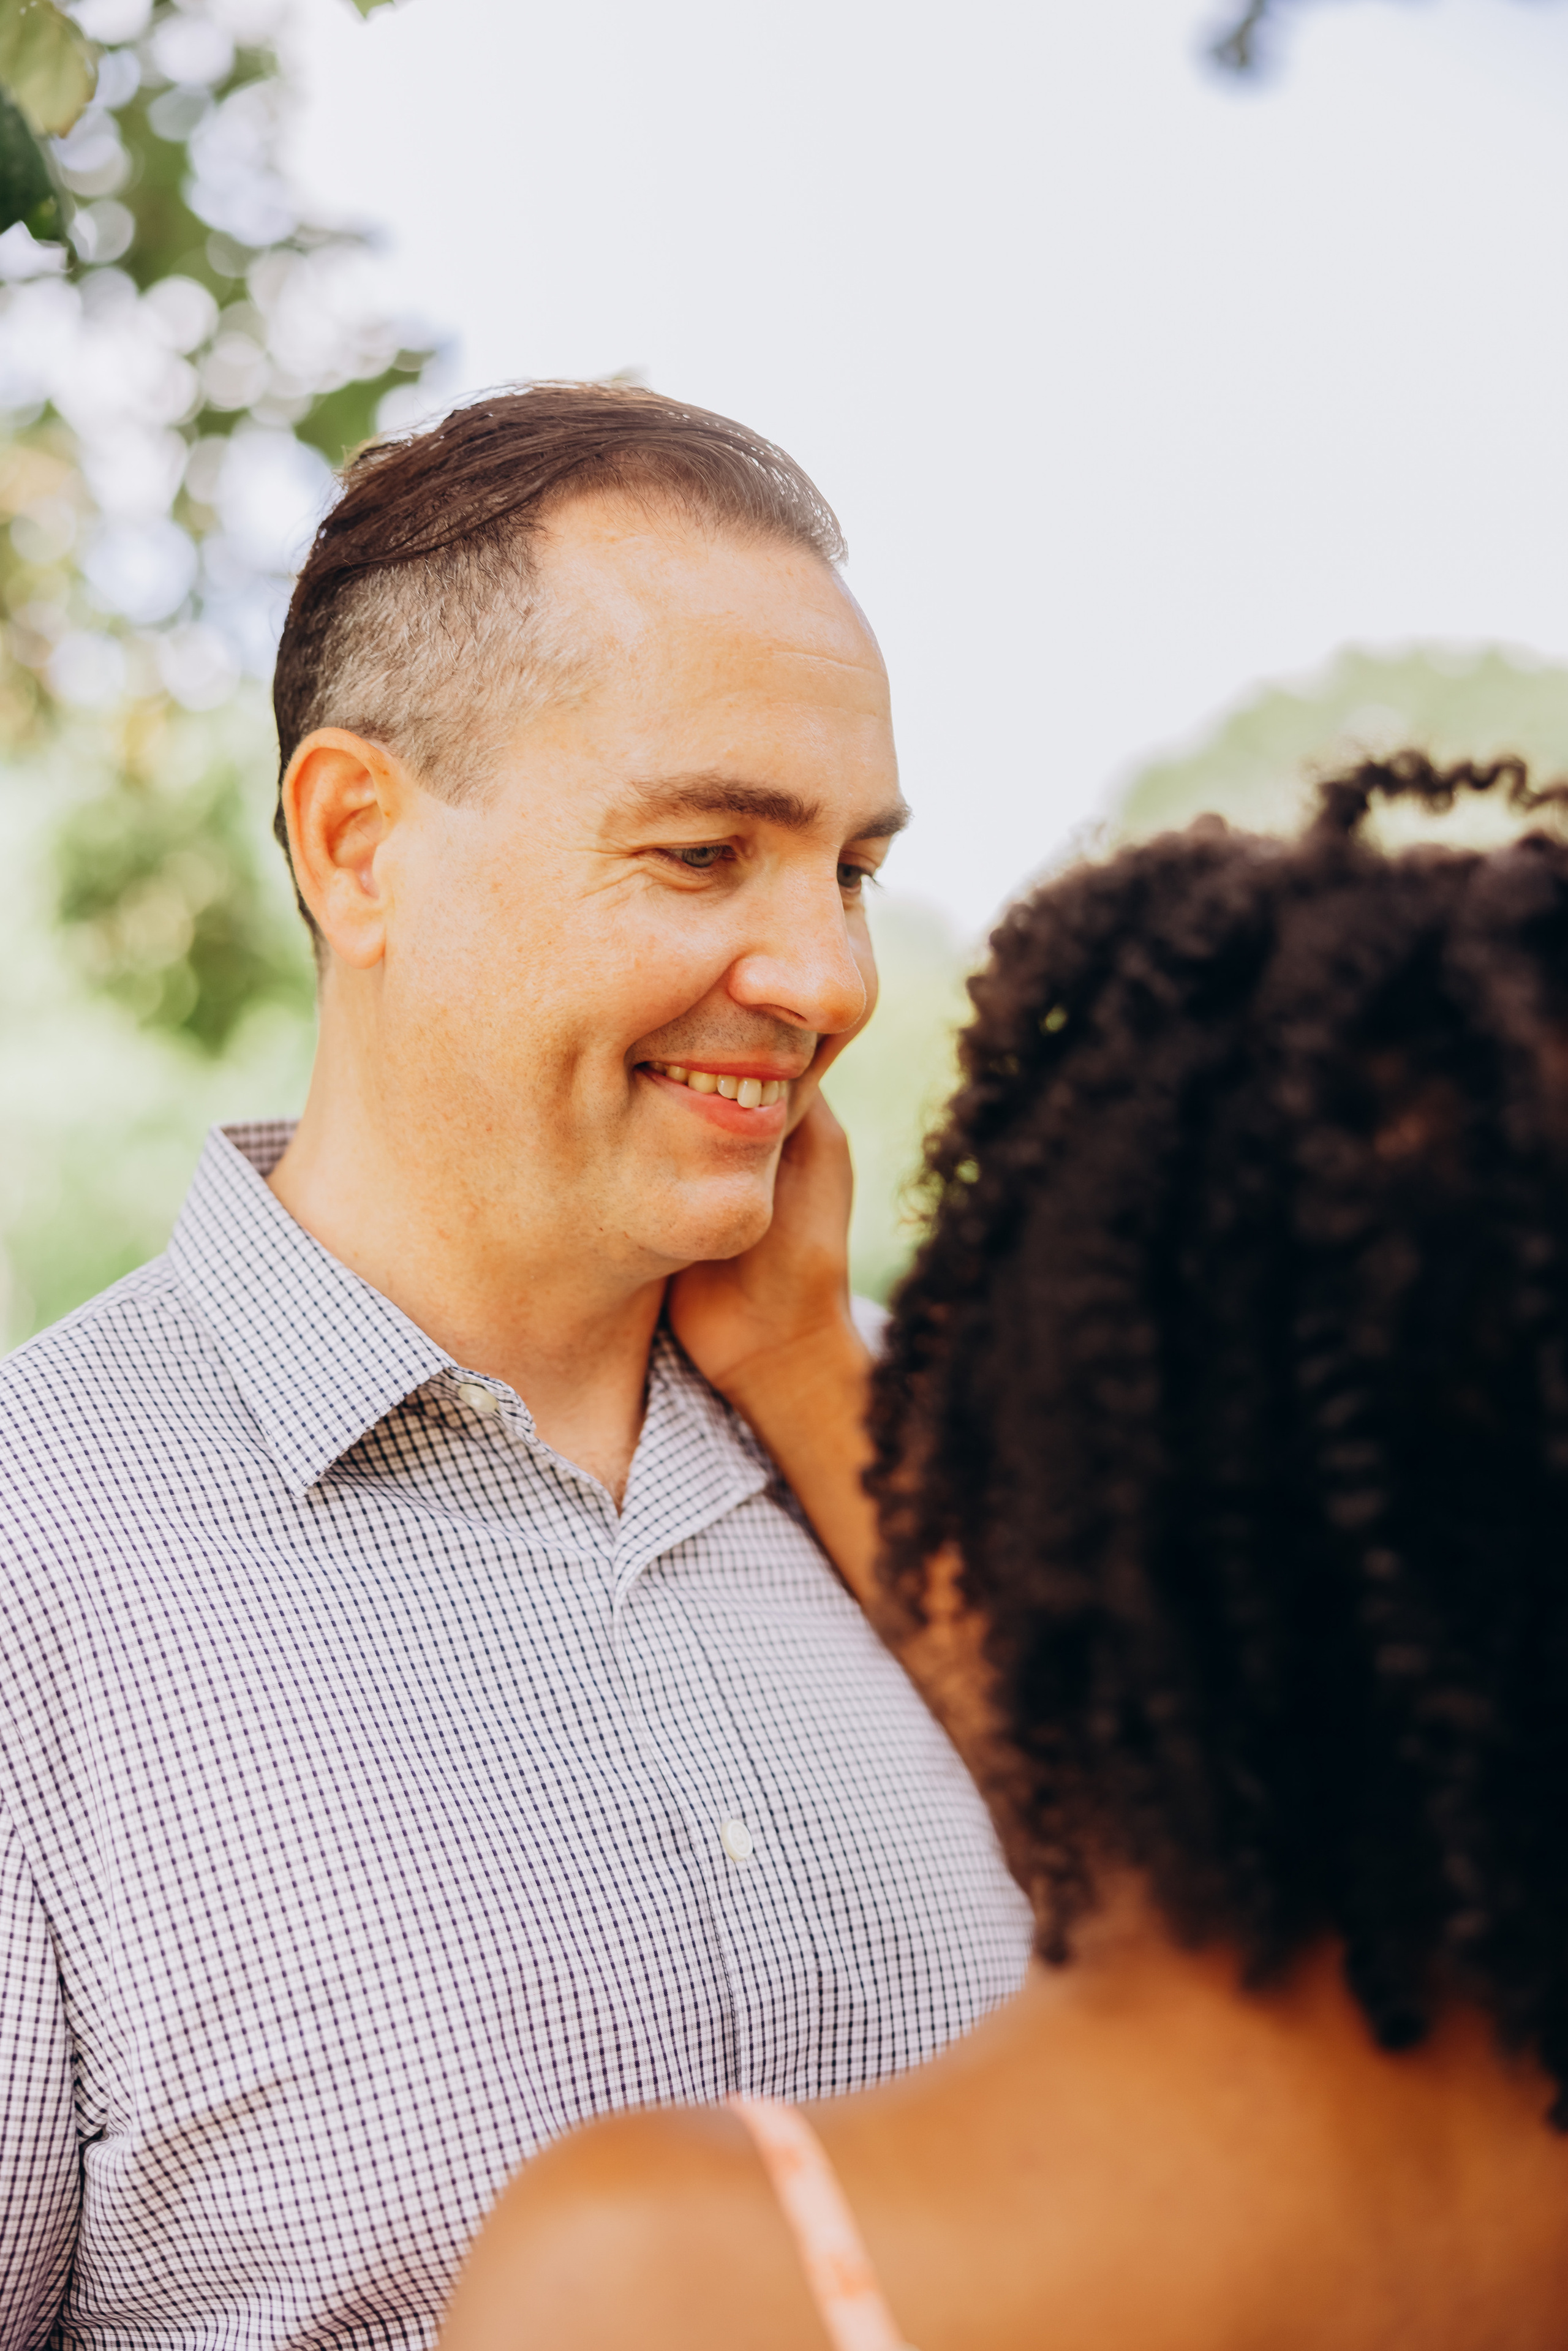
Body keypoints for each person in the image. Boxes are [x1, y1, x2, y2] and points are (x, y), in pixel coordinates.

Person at [0, 385, 1031, 2351]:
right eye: (706, 852)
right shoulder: (33, 1557)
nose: (824, 980)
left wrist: (822, 1384)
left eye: (851, 868)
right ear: (357, 842)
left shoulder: (919, 1448)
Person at [443, 753, 1568, 2351]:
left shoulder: (673, 2278)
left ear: (1034, 1417)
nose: (830, 979)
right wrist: (808, 1364)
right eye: (705, 854)